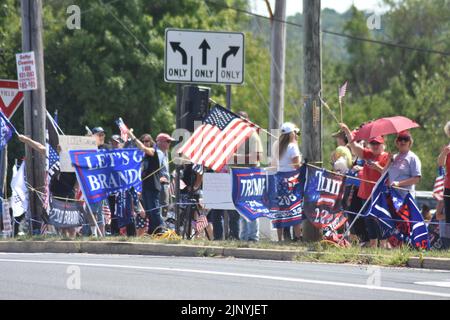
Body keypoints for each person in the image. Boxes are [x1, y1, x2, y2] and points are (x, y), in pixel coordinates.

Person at [340, 123, 390, 248]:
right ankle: (373, 245)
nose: (375, 146)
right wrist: (347, 131)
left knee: (379, 220)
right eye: (373, 143)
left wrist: (377, 167)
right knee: (368, 219)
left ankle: (383, 245)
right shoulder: (367, 154)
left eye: (378, 143)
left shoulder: (387, 156)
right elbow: (353, 145)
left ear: (383, 144)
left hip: (380, 195)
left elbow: (388, 173)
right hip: (366, 193)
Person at [230, 111, 263, 242]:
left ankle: (253, 237)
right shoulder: (235, 137)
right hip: (239, 174)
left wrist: (235, 158)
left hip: (251, 174)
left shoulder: (252, 135)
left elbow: (257, 157)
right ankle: (244, 237)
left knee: (252, 206)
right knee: (241, 207)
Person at [271, 122, 302, 242]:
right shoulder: (292, 146)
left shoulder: (276, 145)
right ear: (292, 134)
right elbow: (296, 165)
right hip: (291, 179)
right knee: (294, 208)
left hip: (279, 179)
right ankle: (297, 237)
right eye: (295, 132)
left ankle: (280, 238)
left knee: (281, 209)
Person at [128, 130, 163, 235]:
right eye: (143, 141)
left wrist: (133, 137)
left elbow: (143, 148)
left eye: (147, 141)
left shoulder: (153, 151)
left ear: (151, 142)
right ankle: (153, 231)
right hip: (145, 186)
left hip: (153, 186)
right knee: (148, 210)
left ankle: (160, 230)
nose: (145, 143)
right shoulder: (143, 157)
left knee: (154, 210)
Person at [387, 130, 421, 198]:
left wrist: (398, 184)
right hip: (391, 195)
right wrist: (389, 161)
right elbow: (384, 174)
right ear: (397, 142)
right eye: (400, 139)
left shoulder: (413, 158)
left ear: (410, 142)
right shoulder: (394, 157)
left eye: (406, 139)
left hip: (405, 197)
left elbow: (416, 179)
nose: (402, 141)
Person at [437, 121, 450, 247]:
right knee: (449, 217)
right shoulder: (448, 148)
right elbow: (440, 163)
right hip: (449, 187)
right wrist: (444, 153)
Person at [156, 133, 175, 217]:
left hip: (166, 184)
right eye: (168, 141)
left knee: (166, 206)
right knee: (163, 206)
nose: (169, 143)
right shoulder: (158, 153)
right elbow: (154, 169)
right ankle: (160, 227)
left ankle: (163, 226)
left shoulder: (165, 153)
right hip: (160, 184)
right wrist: (159, 178)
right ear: (160, 142)